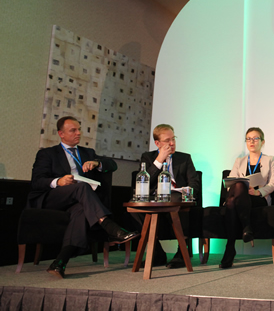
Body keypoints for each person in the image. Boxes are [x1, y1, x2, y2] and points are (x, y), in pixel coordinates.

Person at [29, 116, 140, 278]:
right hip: (53, 198)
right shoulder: (47, 154)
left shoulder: (87, 153)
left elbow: (112, 165)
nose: (78, 133)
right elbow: (37, 182)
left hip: (80, 200)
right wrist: (58, 181)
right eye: (73, 130)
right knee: (80, 187)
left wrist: (97, 163)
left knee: (81, 210)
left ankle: (59, 262)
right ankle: (109, 226)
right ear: (61, 133)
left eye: (79, 129)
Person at [135, 123, 201, 268]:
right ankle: (157, 253)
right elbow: (145, 182)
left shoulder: (184, 158)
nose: (172, 143)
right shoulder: (147, 158)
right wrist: (159, 160)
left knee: (176, 200)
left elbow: (195, 183)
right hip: (155, 200)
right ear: (157, 143)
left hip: (178, 198)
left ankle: (182, 252)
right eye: (167, 140)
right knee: (135, 208)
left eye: (173, 139)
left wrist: (186, 191)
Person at [219, 127, 274, 268]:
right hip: (242, 197)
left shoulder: (270, 160)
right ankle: (246, 228)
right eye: (248, 139)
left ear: (262, 141)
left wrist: (258, 192)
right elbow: (229, 184)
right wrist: (243, 188)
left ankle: (230, 248)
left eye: (255, 138)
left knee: (231, 202)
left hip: (258, 198)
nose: (251, 141)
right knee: (238, 187)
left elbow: (273, 184)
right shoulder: (239, 161)